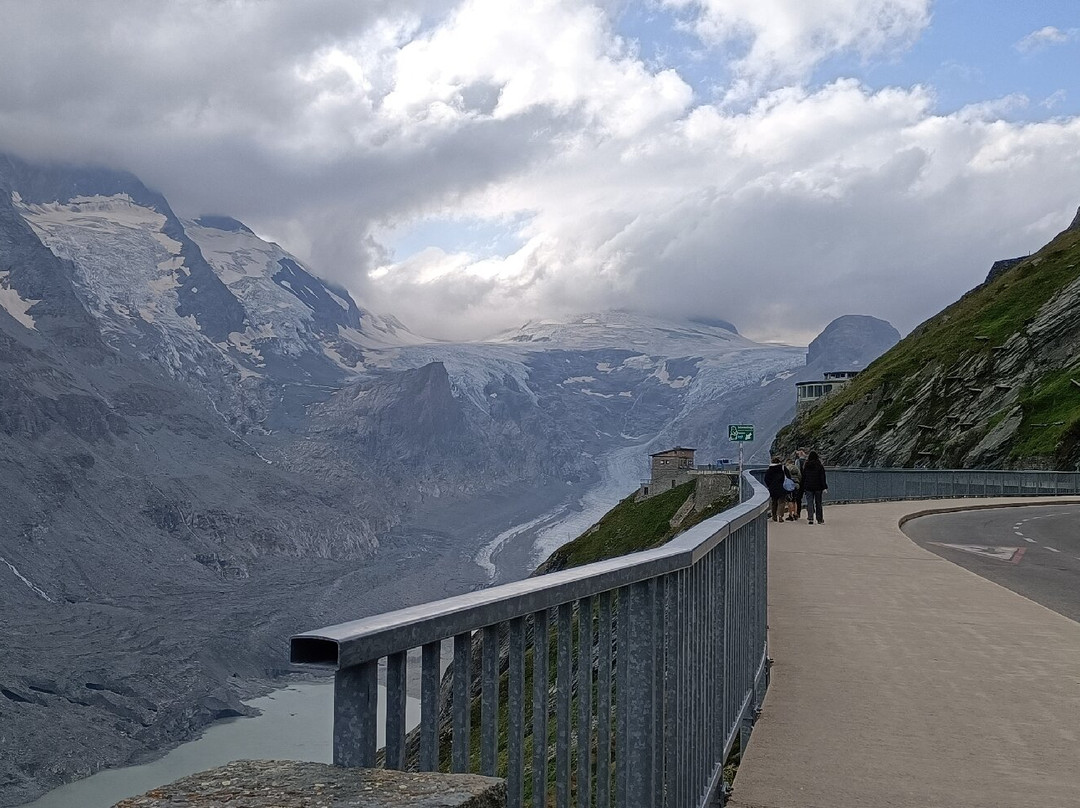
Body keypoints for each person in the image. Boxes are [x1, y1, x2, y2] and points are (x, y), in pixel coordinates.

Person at [801, 450, 828, 524]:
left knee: (809, 502)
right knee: (818, 503)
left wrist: (802, 486)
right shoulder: (819, 466)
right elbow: (822, 477)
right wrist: (824, 487)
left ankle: (810, 518)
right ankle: (819, 519)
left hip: (808, 486)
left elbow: (804, 477)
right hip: (818, 487)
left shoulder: (806, 466)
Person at [762, 456, 791, 523]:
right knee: (782, 502)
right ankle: (780, 516)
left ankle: (774, 516)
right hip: (782, 487)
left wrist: (770, 485)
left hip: (773, 488)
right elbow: (788, 476)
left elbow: (766, 479)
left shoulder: (770, 470)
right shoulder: (783, 468)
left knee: (774, 502)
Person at [784, 454, 802, 521]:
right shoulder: (796, 468)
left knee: (790, 500)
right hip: (796, 485)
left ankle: (790, 515)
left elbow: (785, 477)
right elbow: (800, 476)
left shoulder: (787, 468)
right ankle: (795, 513)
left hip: (789, 485)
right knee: (795, 500)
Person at [793, 448, 807, 518]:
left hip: (799, 482)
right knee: (809, 497)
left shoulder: (797, 461)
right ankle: (811, 512)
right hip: (807, 482)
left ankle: (797, 513)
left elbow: (797, 471)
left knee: (797, 498)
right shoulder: (807, 461)